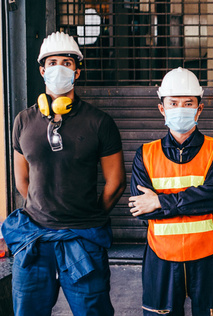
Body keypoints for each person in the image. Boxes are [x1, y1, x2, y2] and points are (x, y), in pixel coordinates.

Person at [2, 31, 126, 316]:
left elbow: (116, 182)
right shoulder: (23, 120)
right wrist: (46, 209)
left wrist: (86, 216)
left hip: (82, 240)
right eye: (53, 62)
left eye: (66, 63)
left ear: (77, 71)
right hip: (34, 239)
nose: (59, 67)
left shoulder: (99, 122)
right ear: (42, 70)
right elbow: (22, 180)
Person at [129, 67, 213, 316]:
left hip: (208, 255)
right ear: (162, 108)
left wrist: (160, 203)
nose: (181, 108)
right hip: (160, 257)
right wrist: (199, 204)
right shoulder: (145, 154)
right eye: (173, 103)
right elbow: (141, 210)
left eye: (188, 103)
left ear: (200, 108)